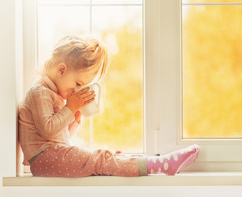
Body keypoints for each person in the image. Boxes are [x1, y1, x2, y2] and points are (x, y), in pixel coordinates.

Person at [18, 35, 200, 177]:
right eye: (78, 83)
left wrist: (74, 118)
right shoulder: (39, 92)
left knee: (107, 156)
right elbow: (48, 130)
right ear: (61, 70)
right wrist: (70, 108)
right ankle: (160, 166)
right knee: (100, 159)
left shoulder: (53, 94)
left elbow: (60, 138)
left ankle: (153, 162)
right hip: (43, 160)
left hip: (49, 156)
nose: (77, 90)